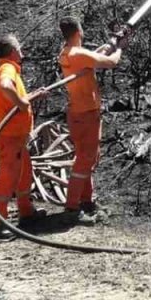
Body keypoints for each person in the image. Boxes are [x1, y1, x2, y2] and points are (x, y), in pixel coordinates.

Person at [57, 17, 121, 223]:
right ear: (78, 31)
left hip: (79, 113)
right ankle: (72, 207)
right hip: (85, 114)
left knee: (87, 159)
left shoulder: (68, 53)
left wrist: (111, 43)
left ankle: (86, 201)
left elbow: (93, 57)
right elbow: (111, 62)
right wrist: (120, 47)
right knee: (85, 159)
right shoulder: (77, 54)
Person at [0, 34, 44, 239]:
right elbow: (5, 86)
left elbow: (10, 95)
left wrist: (31, 96)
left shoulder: (3, 69)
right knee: (7, 178)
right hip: (9, 137)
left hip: (15, 137)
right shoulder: (7, 69)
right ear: (12, 52)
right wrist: (21, 103)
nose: (22, 52)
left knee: (24, 173)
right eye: (19, 49)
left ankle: (26, 213)